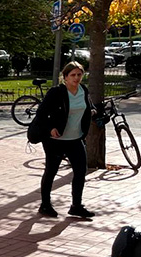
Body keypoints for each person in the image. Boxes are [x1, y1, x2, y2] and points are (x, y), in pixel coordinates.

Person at [33, 62, 97, 218]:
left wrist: (95, 113)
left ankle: (76, 206)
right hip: (55, 140)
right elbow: (40, 114)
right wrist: (50, 128)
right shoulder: (56, 92)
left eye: (79, 75)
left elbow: (88, 108)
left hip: (75, 139)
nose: (76, 78)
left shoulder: (83, 90)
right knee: (51, 171)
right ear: (65, 77)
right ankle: (45, 205)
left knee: (81, 171)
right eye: (72, 75)